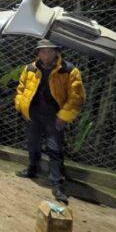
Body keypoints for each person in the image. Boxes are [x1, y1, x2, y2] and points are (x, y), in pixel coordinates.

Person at [14, 40, 85, 204]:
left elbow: (76, 97)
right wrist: (21, 106)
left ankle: (57, 183)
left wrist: (64, 116)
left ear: (56, 52)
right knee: (32, 143)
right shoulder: (30, 69)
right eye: (42, 51)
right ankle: (32, 169)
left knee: (55, 149)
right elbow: (21, 88)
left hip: (55, 116)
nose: (45, 54)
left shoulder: (68, 70)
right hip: (34, 113)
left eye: (49, 51)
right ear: (38, 53)